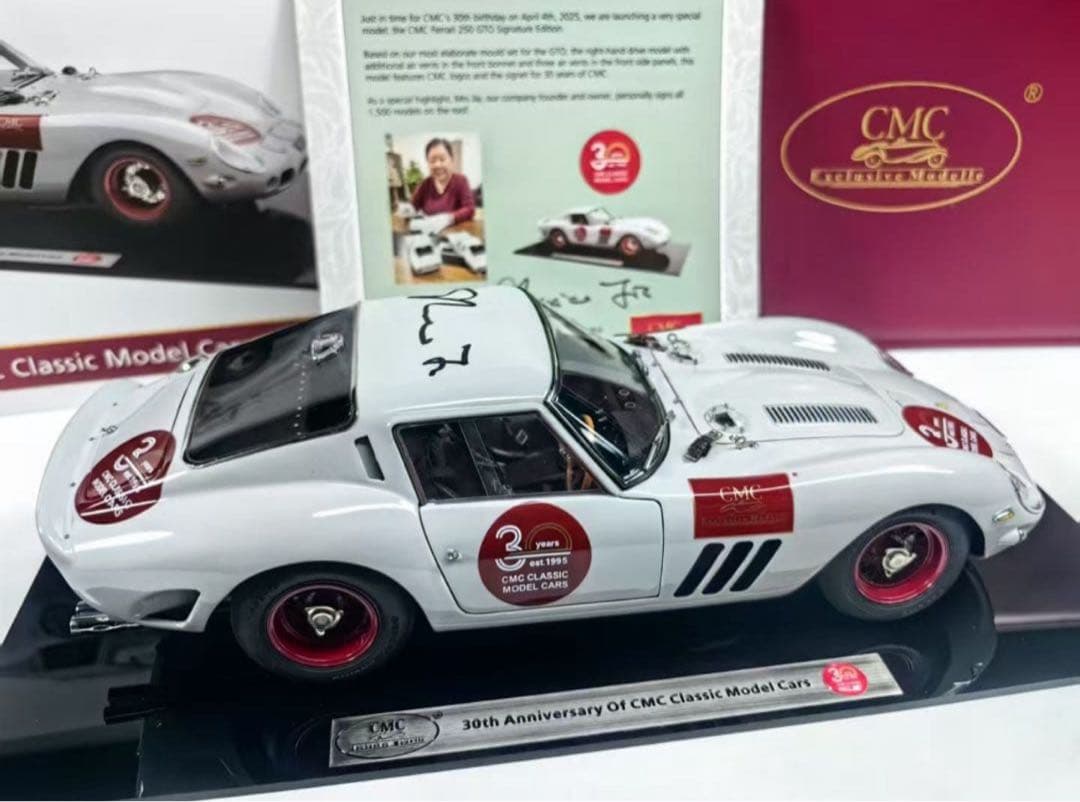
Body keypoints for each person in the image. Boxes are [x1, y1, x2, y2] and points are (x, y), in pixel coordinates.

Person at [410, 137, 476, 225]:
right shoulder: (425, 184)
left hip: (455, 232)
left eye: (442, 159)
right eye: (432, 161)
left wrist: (449, 218)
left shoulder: (461, 181)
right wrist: (406, 210)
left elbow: (470, 209)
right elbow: (412, 207)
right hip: (430, 231)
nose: (437, 165)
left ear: (451, 160)